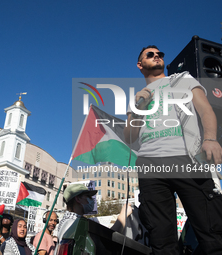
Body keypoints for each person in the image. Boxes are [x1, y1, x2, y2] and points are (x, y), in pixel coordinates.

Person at [123, 45, 222, 254]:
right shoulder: (138, 97)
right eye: (150, 55)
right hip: (149, 163)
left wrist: (211, 138)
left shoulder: (181, 80)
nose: (157, 56)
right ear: (140, 65)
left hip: (186, 157)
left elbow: (205, 109)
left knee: (211, 228)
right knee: (161, 237)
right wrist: (138, 107)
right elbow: (129, 137)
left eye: (159, 54)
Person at [56, 184, 132, 252]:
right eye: (88, 196)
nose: (92, 200)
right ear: (78, 199)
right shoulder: (74, 222)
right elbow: (108, 239)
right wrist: (123, 214)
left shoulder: (67, 221)